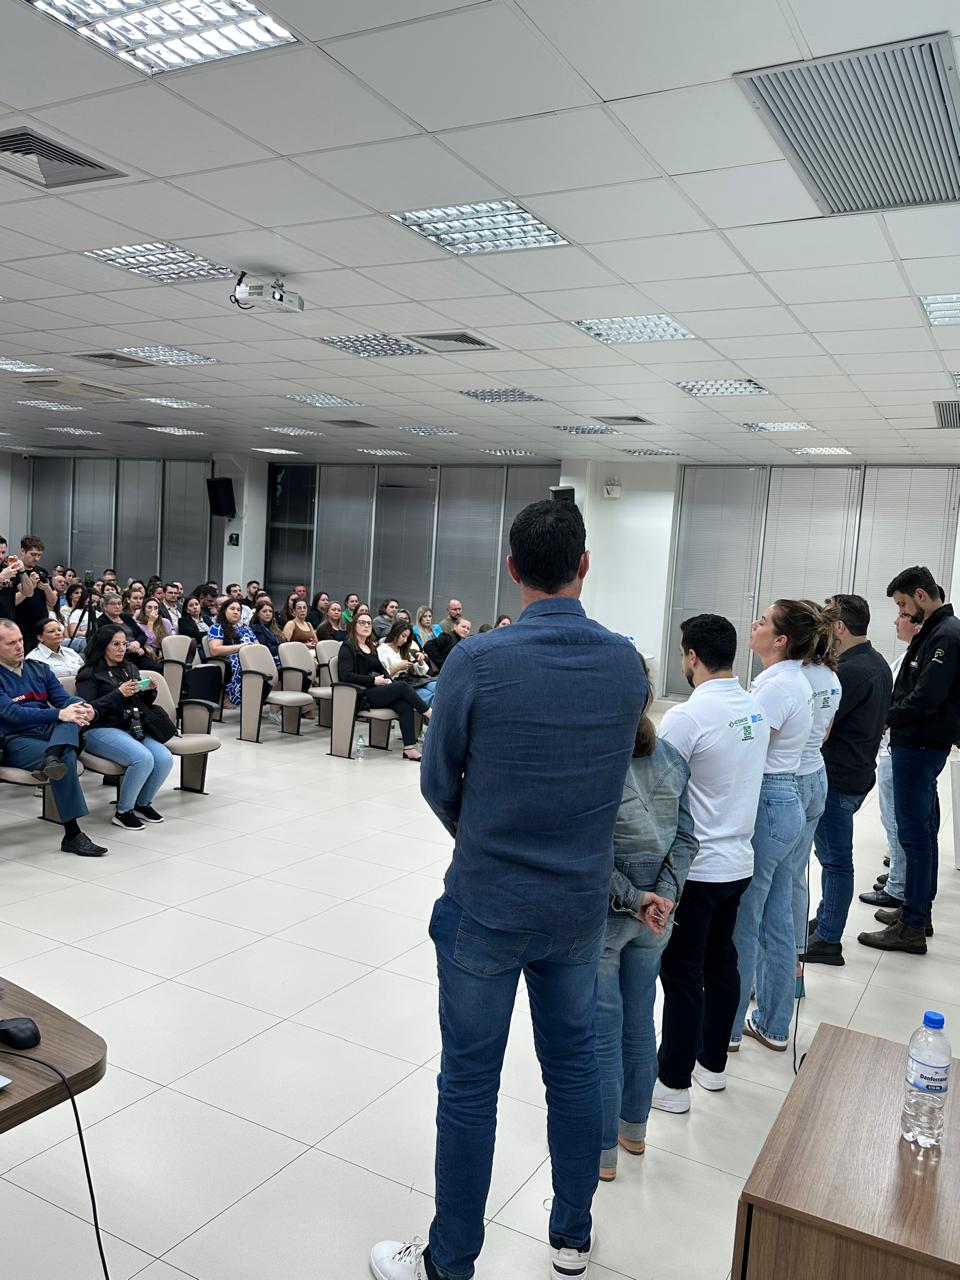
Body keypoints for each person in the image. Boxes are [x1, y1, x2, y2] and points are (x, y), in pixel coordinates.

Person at [371, 499, 647, 1280]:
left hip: (487, 904)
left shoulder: (478, 661)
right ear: (584, 565)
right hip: (578, 908)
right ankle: (571, 1236)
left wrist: (482, 834)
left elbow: (437, 779)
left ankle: (451, 1260)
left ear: (513, 569)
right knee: (573, 1067)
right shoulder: (626, 665)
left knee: (469, 1082)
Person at [653, 614, 769, 1112]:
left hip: (697, 869)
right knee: (722, 964)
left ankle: (673, 1085)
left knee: (682, 974)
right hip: (738, 861)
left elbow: (658, 791)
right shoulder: (754, 709)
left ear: (692, 656)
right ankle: (712, 1066)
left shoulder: (688, 717)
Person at [596, 657, 697, 1180]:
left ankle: (601, 1154)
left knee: (603, 1029)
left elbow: (590, 852)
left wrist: (636, 897)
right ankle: (633, 1129)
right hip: (657, 916)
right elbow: (687, 838)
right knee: (639, 1020)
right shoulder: (672, 756)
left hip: (611, 913)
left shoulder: (596, 759)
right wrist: (664, 897)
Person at [729, 600, 819, 1054]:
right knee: (777, 917)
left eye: (763, 621)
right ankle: (774, 1024)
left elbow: (747, 749)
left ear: (781, 640)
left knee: (745, 921)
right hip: (785, 799)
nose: (754, 624)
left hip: (769, 800)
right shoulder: (791, 680)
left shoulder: (776, 688)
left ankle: (726, 1030)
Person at [858, 568, 960, 955]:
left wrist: (886, 717)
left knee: (915, 838)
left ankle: (912, 925)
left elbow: (926, 696)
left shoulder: (945, 635)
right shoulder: (935, 631)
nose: (902, 612)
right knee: (921, 836)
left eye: (902, 604)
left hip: (919, 746)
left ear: (920, 595)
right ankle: (917, 914)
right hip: (918, 744)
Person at [798, 594, 893, 964]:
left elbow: (824, 725)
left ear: (838, 627)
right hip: (857, 771)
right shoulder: (876, 662)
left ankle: (828, 938)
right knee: (833, 857)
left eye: (826, 623)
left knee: (835, 861)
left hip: (838, 777)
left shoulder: (848, 672)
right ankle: (825, 920)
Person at [0, 618, 105, 857]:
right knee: (67, 755)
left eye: (20, 640)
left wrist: (83, 707)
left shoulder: (39, 668)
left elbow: (64, 700)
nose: (19, 646)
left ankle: (51, 757)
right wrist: (59, 714)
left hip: (48, 732)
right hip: (16, 739)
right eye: (10, 643)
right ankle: (72, 833)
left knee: (73, 708)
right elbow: (12, 714)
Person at [789, 603, 842, 988]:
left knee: (771, 884)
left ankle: (770, 976)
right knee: (795, 876)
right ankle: (793, 969)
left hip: (789, 781)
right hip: (815, 775)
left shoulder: (793, 678)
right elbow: (824, 733)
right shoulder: (830, 676)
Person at [77, 625, 173, 831]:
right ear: (103, 646)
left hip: (131, 725)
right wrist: (118, 693)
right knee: (143, 758)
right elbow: (89, 709)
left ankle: (142, 804)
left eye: (124, 644)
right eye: (116, 644)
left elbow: (139, 702)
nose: (122, 649)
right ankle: (123, 811)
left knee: (164, 758)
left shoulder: (129, 668)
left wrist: (149, 690)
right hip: (99, 729)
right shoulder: (88, 674)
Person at [859, 612, 922, 913]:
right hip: (891, 747)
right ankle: (899, 872)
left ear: (918, 624)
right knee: (893, 820)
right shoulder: (909, 656)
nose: (896, 621)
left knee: (897, 820)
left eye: (903, 614)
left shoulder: (917, 660)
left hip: (896, 749)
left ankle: (897, 886)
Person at [338, 614, 431, 762]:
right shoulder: (347, 647)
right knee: (402, 686)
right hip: (359, 693)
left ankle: (410, 749)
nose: (366, 626)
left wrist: (388, 681)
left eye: (369, 623)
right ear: (354, 625)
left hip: (373, 690)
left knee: (404, 705)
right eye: (362, 623)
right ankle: (430, 713)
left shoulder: (371, 647)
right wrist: (373, 680)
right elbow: (346, 675)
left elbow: (382, 669)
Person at [378, 619, 438, 707]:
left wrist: (420, 661)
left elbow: (422, 672)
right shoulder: (382, 650)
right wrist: (398, 667)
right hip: (399, 684)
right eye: (403, 636)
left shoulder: (404, 649)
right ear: (395, 633)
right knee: (431, 697)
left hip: (413, 680)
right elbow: (381, 677)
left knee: (439, 688)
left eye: (407, 637)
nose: (405, 640)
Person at [207, 599, 256, 706]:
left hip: (248, 658)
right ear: (224, 611)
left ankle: (257, 695)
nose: (236, 612)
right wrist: (240, 647)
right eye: (232, 609)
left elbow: (258, 647)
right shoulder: (217, 627)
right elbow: (215, 650)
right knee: (238, 660)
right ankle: (232, 697)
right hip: (227, 661)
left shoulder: (246, 629)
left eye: (238, 610)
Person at [15, 535, 58, 653]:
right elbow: (12, 601)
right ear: (23, 551)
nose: (37, 559)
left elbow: (52, 602)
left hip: (42, 625)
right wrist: (30, 587)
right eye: (33, 554)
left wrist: (47, 588)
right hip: (22, 625)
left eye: (39, 555)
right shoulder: (13, 572)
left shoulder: (41, 571)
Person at [31, 615, 85, 679]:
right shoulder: (34, 659)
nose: (58, 633)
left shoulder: (71, 652)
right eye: (51, 631)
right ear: (40, 637)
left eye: (59, 630)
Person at [250, 599, 283, 668]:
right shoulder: (256, 628)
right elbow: (265, 649)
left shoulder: (275, 627)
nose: (268, 614)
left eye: (270, 611)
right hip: (268, 662)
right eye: (264, 611)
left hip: (281, 658)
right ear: (258, 614)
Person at [63, 582, 93, 651]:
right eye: (76, 593)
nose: (80, 595)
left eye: (81, 593)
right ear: (70, 595)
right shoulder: (69, 610)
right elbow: (70, 630)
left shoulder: (92, 612)